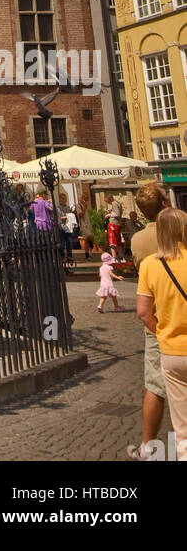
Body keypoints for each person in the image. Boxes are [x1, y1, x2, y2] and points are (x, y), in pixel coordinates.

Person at [135, 208, 187, 462]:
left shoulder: (149, 265)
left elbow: (143, 312)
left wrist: (163, 333)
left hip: (171, 352)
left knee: (182, 427)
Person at [128, 183, 173, 460]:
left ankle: (149, 447)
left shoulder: (138, 241)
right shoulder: (180, 230)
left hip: (157, 319)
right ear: (165, 201)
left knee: (155, 387)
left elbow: (143, 307)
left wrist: (159, 330)